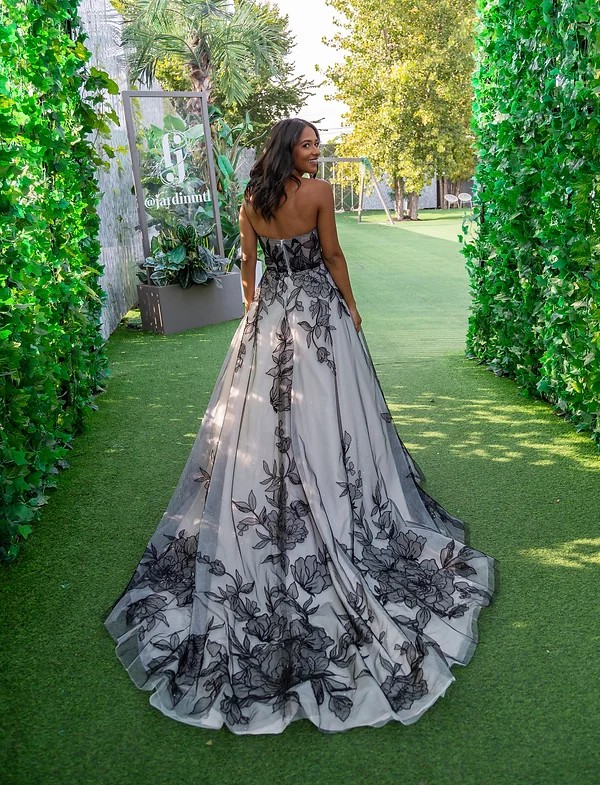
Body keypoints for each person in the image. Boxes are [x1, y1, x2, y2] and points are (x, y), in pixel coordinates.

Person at [104, 118, 495, 734]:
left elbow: (247, 267)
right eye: (310, 144)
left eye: (318, 144)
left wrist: (256, 314)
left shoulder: (251, 202)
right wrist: (353, 307)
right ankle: (332, 498)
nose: (319, 152)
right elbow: (333, 255)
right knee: (329, 410)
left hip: (269, 323)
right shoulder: (317, 195)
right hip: (318, 318)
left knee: (265, 420)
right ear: (291, 151)